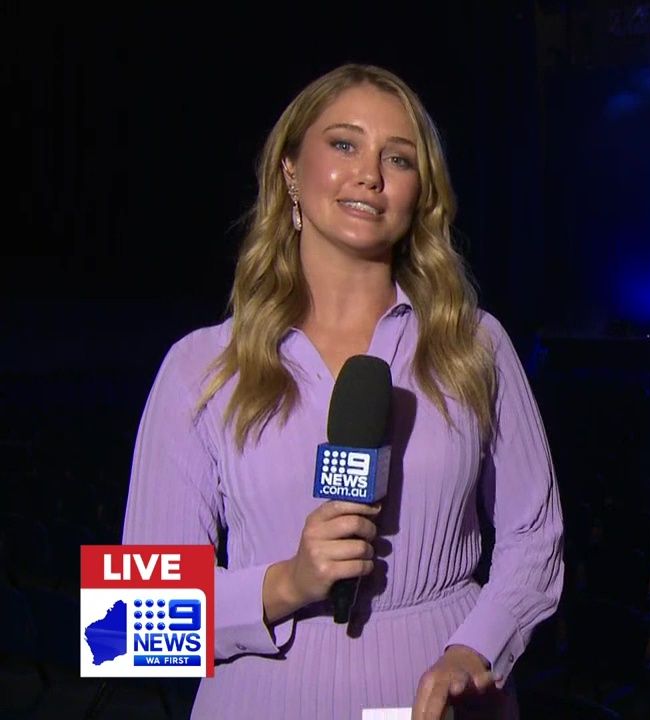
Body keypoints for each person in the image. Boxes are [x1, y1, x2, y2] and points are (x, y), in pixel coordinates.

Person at [122, 64, 563, 720]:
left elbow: (535, 536)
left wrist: (475, 652)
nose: (370, 175)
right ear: (290, 172)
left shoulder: (476, 344)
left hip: (438, 700)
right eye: (344, 144)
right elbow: (135, 622)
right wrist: (286, 583)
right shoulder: (199, 365)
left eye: (398, 157)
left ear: (420, 193)